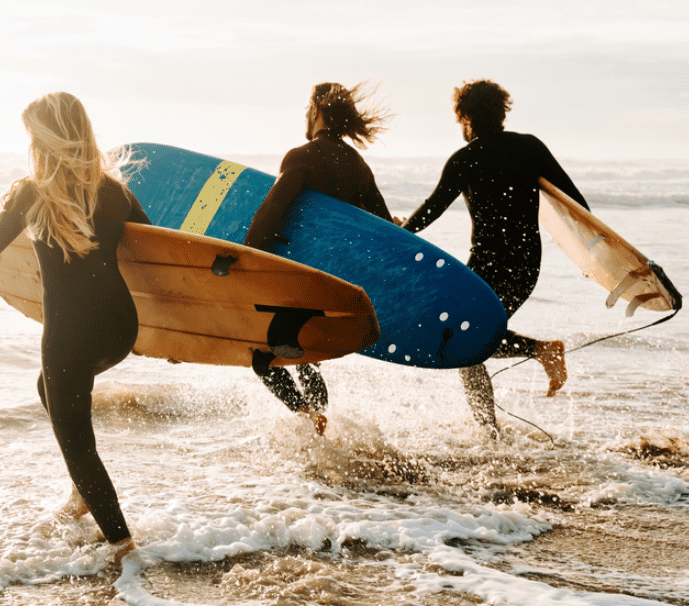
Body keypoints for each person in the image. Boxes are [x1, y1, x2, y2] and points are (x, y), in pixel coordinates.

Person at [0, 92, 150, 563]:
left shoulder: (32, 193)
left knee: (79, 445)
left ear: (44, 140)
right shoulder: (116, 192)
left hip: (70, 337)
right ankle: (83, 493)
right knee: (46, 388)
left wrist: (1, 211)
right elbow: (156, 252)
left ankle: (124, 550)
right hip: (119, 330)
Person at [400, 79, 589, 432]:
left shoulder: (464, 159)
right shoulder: (530, 147)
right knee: (464, 340)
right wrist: (593, 258)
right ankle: (492, 424)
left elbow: (432, 209)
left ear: (466, 117)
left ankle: (529, 368)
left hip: (486, 266)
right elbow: (576, 204)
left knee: (461, 340)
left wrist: (401, 233)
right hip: (526, 264)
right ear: (501, 113)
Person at [242, 82, 393, 435]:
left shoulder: (303, 156)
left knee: (262, 357)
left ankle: (307, 415)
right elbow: (385, 227)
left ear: (317, 111)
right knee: (308, 360)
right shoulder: (359, 166)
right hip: (336, 282)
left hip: (299, 277)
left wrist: (247, 257)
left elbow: (272, 209)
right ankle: (320, 429)